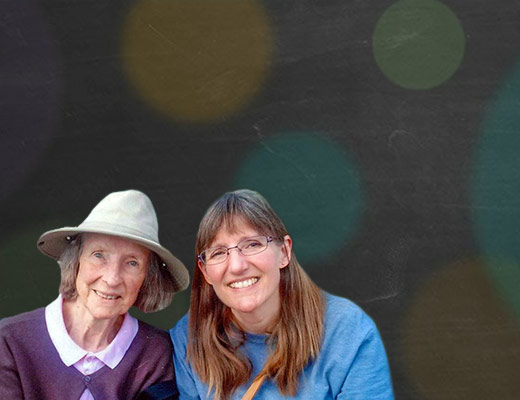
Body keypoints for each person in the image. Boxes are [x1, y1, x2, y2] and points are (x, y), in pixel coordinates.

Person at [170, 189, 394, 399]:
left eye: (252, 244)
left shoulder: (347, 331)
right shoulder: (188, 338)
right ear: (205, 272)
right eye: (219, 253)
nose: (237, 266)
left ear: (284, 252)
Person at [0, 189, 189, 400]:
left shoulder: (157, 353)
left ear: (147, 278)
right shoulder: (9, 340)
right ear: (76, 261)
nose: (112, 278)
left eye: (132, 263)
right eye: (99, 255)